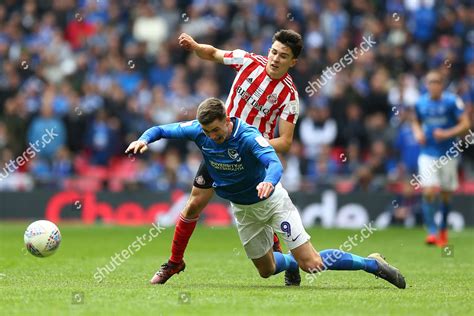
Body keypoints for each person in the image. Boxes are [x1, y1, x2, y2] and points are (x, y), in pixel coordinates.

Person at [126, 98, 406, 289]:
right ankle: (291, 264)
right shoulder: (199, 131)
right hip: (243, 209)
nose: (211, 136)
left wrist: (270, 182)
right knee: (266, 271)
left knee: (313, 263)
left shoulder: (248, 136)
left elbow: (274, 162)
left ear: (226, 119)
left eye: (215, 130)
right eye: (207, 132)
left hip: (272, 202)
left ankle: (372, 264)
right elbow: (161, 129)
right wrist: (143, 139)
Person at [148, 29, 303, 285]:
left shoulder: (289, 96)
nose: (275, 58)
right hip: (218, 147)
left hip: (251, 160)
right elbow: (212, 53)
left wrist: (253, 146)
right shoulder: (248, 61)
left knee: (264, 211)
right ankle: (175, 262)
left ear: (292, 61)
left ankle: (288, 259)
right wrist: (196, 46)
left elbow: (285, 142)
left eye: (283, 55)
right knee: (194, 204)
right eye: (273, 51)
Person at [411, 70, 470, 247]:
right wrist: (418, 133)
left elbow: (466, 125)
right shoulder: (420, 102)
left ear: (441, 84)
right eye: (430, 82)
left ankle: (443, 228)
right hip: (428, 153)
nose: (433, 85)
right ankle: (431, 231)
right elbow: (415, 121)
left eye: (436, 82)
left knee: (445, 194)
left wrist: (446, 133)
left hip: (449, 153)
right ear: (426, 85)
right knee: (428, 191)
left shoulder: (452, 101)